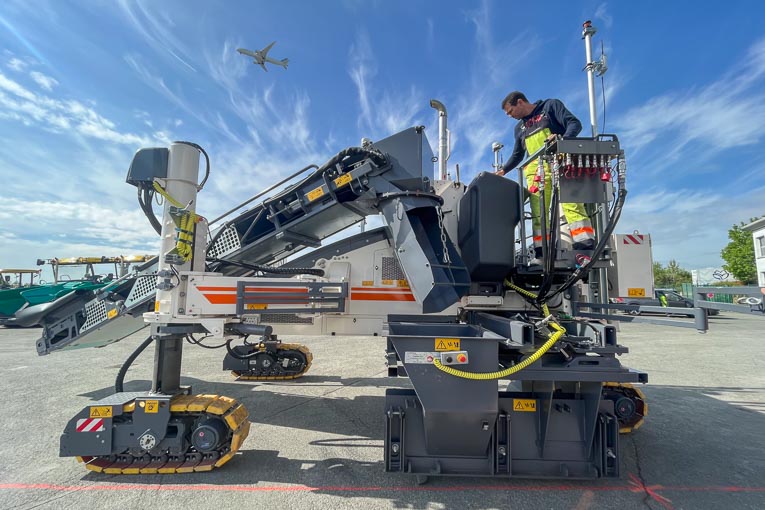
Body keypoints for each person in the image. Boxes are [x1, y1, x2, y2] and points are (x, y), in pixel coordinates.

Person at [495, 91, 595, 261]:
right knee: (538, 212)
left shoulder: (549, 107)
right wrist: (503, 170)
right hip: (536, 174)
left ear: (520, 102)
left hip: (560, 164)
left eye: (510, 111)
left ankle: (584, 245)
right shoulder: (519, 128)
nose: (509, 116)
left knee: (572, 204)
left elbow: (574, 124)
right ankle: (542, 251)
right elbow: (518, 154)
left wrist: (562, 139)